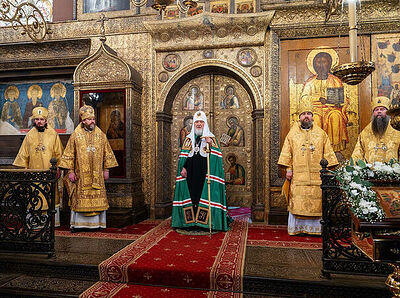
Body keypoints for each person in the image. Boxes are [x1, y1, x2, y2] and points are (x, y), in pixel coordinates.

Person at [278, 101, 338, 236]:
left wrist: (327, 171)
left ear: (313, 117)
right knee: (297, 201)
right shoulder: (292, 134)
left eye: (309, 114)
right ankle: (297, 229)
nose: (306, 117)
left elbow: (328, 153)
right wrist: (288, 168)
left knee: (317, 203)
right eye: (303, 114)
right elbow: (288, 153)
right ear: (299, 117)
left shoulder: (321, 134)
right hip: (298, 176)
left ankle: (315, 230)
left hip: (317, 176)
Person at [59, 105, 118, 232]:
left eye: (93, 119)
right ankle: (79, 225)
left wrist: (106, 169)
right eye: (89, 119)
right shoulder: (75, 135)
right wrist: (70, 171)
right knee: (79, 198)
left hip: (97, 176)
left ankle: (97, 224)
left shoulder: (101, 135)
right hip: (80, 176)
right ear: (83, 121)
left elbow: (107, 152)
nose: (92, 121)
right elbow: (69, 154)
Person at [172, 111, 229, 231]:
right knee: (192, 196)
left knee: (202, 196)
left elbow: (217, 160)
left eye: (201, 122)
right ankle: (190, 223)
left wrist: (210, 145)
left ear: (205, 123)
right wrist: (183, 167)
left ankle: (205, 223)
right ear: (193, 124)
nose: (199, 124)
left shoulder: (212, 139)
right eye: (197, 122)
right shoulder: (188, 139)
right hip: (190, 174)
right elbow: (184, 156)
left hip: (205, 174)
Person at [13, 107, 64, 226]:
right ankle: (34, 221)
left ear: (46, 120)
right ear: (34, 120)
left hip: (49, 172)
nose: (39, 121)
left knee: (49, 196)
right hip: (33, 173)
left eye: (42, 119)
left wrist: (58, 168)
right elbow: (23, 155)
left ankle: (51, 223)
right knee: (34, 195)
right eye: (37, 119)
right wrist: (24, 169)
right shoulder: (29, 135)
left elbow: (59, 153)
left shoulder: (53, 134)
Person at [301, 51, 349, 152]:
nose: (321, 65)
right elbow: (304, 98)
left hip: (332, 109)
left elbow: (343, 99)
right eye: (318, 62)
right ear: (314, 65)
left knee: (335, 117)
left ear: (329, 64)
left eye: (324, 62)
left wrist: (335, 101)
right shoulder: (310, 82)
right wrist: (317, 99)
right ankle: (316, 149)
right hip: (315, 109)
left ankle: (333, 150)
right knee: (316, 119)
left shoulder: (335, 81)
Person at [352, 96, 400, 163]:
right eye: (376, 110)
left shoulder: (397, 130)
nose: (379, 111)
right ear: (373, 113)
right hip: (369, 172)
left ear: (388, 112)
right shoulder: (365, 132)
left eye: (382, 109)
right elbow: (357, 153)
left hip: (393, 172)